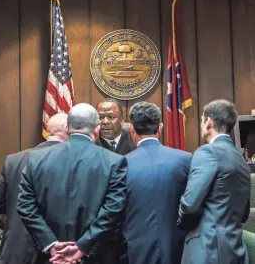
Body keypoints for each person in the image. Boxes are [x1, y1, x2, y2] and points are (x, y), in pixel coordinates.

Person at [16, 103, 127, 264]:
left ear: (67, 130)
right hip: (96, 258)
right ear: (97, 130)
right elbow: (113, 209)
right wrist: (83, 246)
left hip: (51, 258)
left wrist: (50, 244)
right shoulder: (114, 162)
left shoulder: (35, 159)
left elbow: (25, 206)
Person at [0, 113, 68, 264]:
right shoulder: (73, 161)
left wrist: (16, 211)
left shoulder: (15, 160)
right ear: (67, 130)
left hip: (17, 250)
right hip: (59, 251)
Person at [178, 99, 251, 264]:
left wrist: (181, 225)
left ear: (208, 122)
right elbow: (244, 213)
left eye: (202, 120)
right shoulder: (241, 161)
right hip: (235, 248)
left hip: (207, 249)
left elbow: (189, 205)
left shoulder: (208, 152)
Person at [122, 102, 192, 264]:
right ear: (160, 128)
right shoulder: (186, 159)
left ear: (131, 129)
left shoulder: (120, 164)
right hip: (179, 249)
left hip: (134, 250)